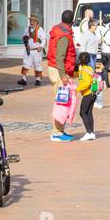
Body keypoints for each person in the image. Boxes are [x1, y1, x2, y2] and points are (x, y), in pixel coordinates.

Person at [46, 10, 78, 141]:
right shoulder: (64, 36)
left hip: (56, 68)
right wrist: (63, 75)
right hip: (59, 70)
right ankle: (56, 133)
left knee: (62, 100)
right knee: (61, 101)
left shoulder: (59, 30)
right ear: (72, 22)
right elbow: (60, 56)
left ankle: (59, 131)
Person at [74, 52, 98, 141]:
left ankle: (88, 132)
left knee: (82, 112)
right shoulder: (89, 68)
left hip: (88, 94)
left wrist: (77, 89)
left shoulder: (84, 70)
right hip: (94, 93)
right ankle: (92, 132)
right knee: (88, 113)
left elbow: (86, 83)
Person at [19, 14, 46, 87]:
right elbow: (24, 37)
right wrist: (24, 39)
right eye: (31, 21)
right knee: (25, 64)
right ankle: (23, 79)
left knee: (37, 65)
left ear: (36, 22)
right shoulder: (26, 29)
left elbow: (44, 39)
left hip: (37, 50)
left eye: (33, 21)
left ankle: (38, 79)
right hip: (28, 50)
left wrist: (41, 46)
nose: (32, 22)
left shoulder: (40, 29)